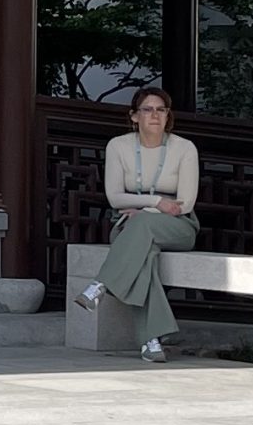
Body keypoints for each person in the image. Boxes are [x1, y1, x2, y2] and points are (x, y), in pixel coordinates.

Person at [78, 87, 200, 362]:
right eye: (147, 109)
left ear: (168, 116)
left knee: (142, 226)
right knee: (145, 259)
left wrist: (145, 209)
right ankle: (151, 341)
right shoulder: (118, 146)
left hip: (177, 225)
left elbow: (186, 203)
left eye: (161, 110)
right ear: (134, 116)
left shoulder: (184, 148)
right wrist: (156, 203)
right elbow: (114, 197)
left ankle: (102, 284)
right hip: (129, 222)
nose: (155, 115)